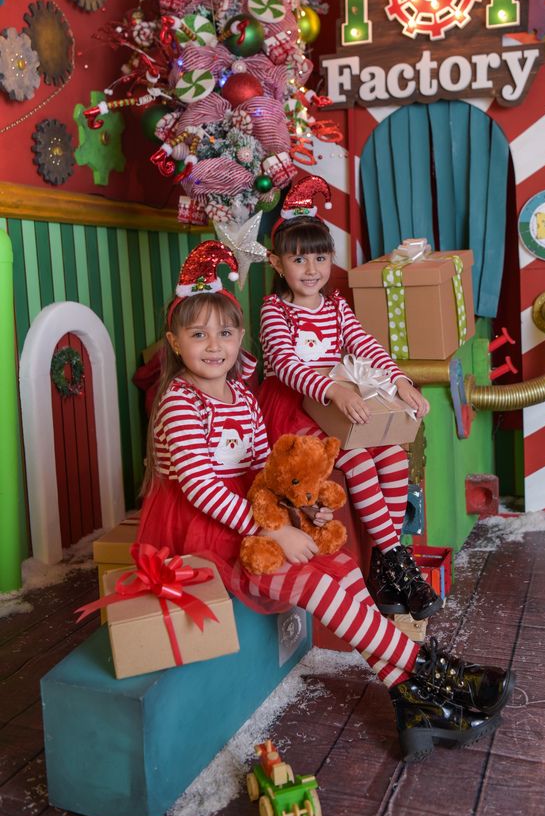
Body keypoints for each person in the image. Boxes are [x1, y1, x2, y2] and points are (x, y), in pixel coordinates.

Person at [138, 239, 515, 762]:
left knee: (342, 570)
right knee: (316, 582)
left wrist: (299, 511)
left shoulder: (242, 395)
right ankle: (432, 673)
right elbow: (202, 488)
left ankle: (410, 697)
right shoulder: (182, 401)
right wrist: (273, 530)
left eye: (224, 333)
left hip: (253, 513)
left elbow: (265, 472)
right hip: (206, 530)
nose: (213, 345)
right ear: (176, 343)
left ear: (240, 337)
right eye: (197, 334)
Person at [259, 176, 440, 622]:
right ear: (277, 263)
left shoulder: (337, 307)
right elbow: (285, 363)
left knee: (394, 454)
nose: (311, 269)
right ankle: (398, 563)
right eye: (298, 259)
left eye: (320, 257)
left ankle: (386, 561)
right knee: (356, 459)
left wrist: (399, 382)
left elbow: (367, 346)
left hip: (336, 402)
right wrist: (334, 389)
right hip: (296, 404)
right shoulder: (274, 310)